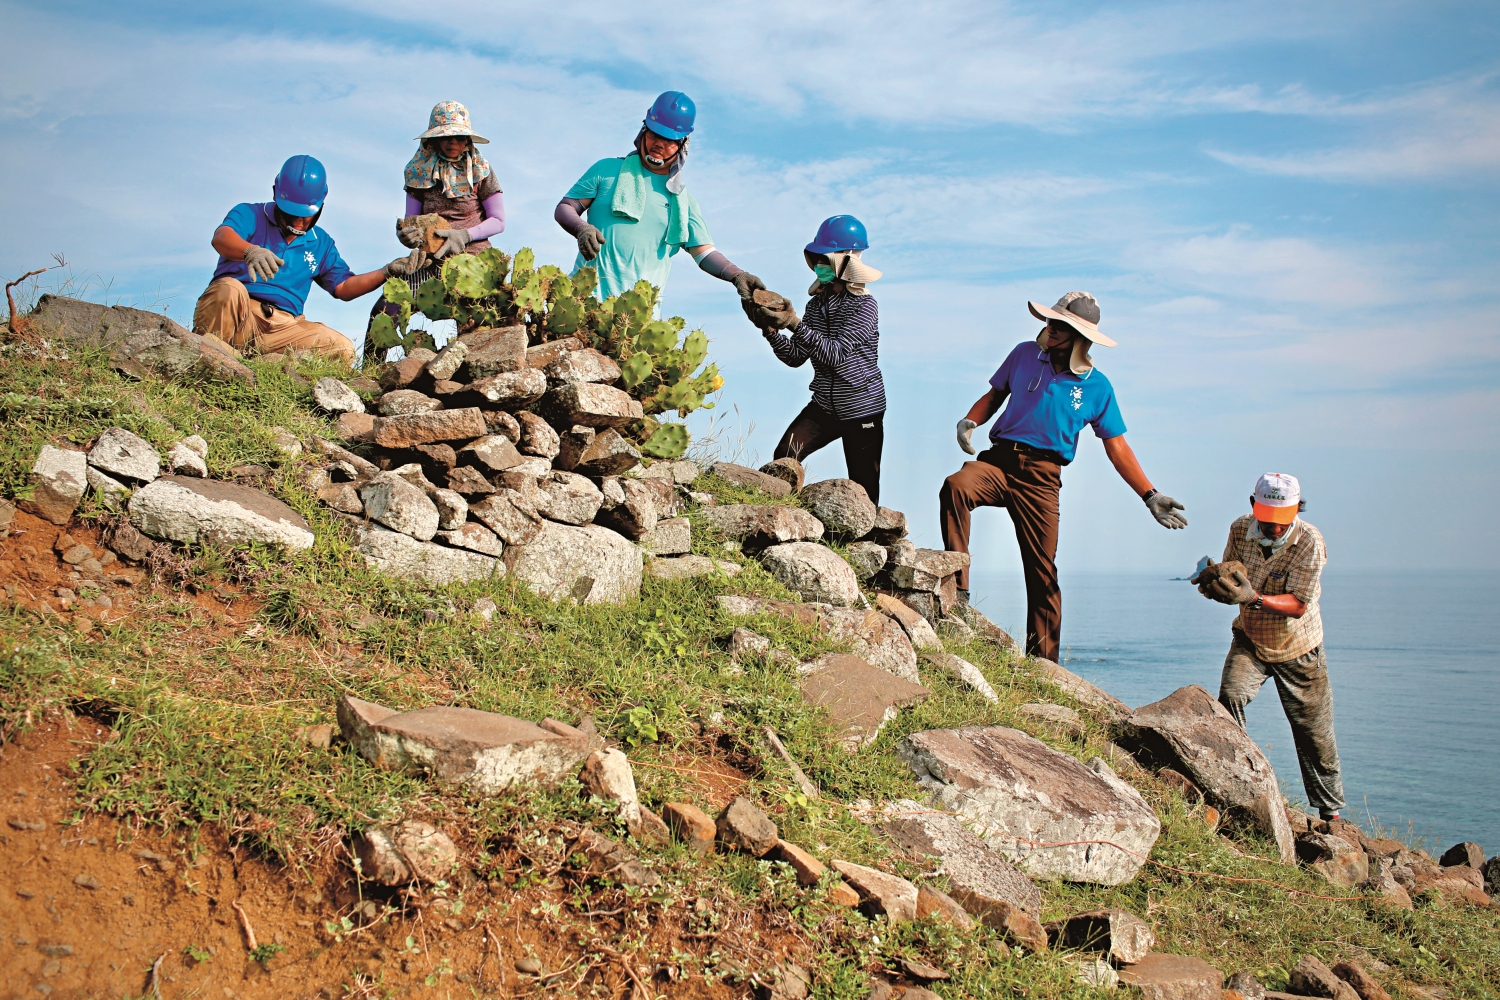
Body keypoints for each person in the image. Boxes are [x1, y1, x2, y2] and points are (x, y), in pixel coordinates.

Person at [940, 292, 1186, 661]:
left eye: (1060, 325)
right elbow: (994, 395)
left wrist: (1150, 495)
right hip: (999, 462)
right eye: (1050, 321)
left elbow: (1118, 448)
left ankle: (1044, 665)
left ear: (1080, 336)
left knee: (1043, 575)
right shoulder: (1024, 354)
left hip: (1042, 479)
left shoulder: (1098, 387)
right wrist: (971, 420)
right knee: (956, 486)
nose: (1050, 327)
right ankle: (957, 592)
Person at [1196, 473, 1344, 821]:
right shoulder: (1239, 529)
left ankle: (1330, 813)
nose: (1275, 528)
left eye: (1282, 521)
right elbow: (1233, 574)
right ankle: (1236, 785)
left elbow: (1299, 604)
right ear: (1253, 506)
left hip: (1298, 646)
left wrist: (1254, 598)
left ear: (1297, 510)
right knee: (1230, 698)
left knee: (1314, 733)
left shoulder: (1310, 542)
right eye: (1267, 520)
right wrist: (1215, 584)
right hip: (1250, 638)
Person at [194, 154, 425, 362]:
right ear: (275, 193)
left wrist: (386, 271)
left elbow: (344, 287)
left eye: (305, 216)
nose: (298, 223)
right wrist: (249, 251)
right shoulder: (250, 214)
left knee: (342, 348)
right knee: (228, 289)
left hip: (284, 329)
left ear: (321, 205)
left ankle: (265, 364)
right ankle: (211, 358)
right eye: (290, 213)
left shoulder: (321, 242)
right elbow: (221, 237)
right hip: (239, 316)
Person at [554, 91, 762, 303]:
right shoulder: (606, 170)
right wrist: (581, 228)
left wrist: (737, 275)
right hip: (584, 304)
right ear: (644, 131)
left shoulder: (683, 201)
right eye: (654, 134)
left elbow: (704, 253)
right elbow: (566, 206)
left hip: (639, 316)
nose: (659, 144)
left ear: (682, 144)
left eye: (669, 140)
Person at [745, 215, 887, 503]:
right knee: (785, 457)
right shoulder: (816, 306)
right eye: (817, 259)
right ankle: (786, 514)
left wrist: (793, 323)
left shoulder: (865, 307)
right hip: (824, 406)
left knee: (864, 487)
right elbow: (795, 356)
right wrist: (770, 330)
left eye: (825, 259)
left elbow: (835, 353)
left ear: (845, 261)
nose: (818, 265)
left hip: (862, 410)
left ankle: (869, 532)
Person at [365, 101, 507, 361]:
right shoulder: (418, 172)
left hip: (473, 261)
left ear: (467, 140)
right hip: (430, 260)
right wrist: (406, 236)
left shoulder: (481, 170)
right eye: (446, 137)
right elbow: (412, 221)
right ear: (434, 139)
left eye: (459, 137)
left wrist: (464, 235)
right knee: (384, 309)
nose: (453, 142)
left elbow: (498, 220)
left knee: (478, 322)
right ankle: (369, 371)